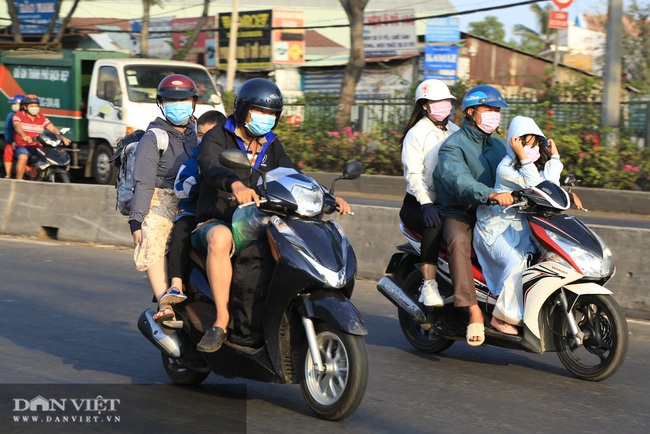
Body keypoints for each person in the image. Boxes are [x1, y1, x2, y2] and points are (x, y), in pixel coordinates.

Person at [192, 78, 351, 353]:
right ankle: (221, 320)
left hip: (260, 218)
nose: (266, 119)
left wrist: (327, 196)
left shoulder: (271, 144)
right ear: (242, 110)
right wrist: (235, 184)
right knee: (220, 238)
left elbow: (291, 176)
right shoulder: (217, 136)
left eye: (271, 114)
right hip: (219, 217)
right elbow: (210, 166)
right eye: (260, 112)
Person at [473, 116, 581, 335]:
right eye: (525, 144)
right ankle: (501, 316)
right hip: (495, 228)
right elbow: (535, 186)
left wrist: (554, 157)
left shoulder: (531, 165)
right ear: (513, 144)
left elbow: (549, 185)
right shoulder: (506, 167)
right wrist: (523, 157)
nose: (531, 149)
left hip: (522, 227)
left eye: (534, 144)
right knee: (517, 262)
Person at [432, 85, 514, 346]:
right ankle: (474, 311)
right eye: (489, 109)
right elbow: (460, 181)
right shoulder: (453, 147)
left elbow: (520, 169)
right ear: (470, 112)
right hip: (460, 211)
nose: (494, 114)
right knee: (458, 240)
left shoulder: (500, 146)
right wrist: (489, 194)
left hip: (494, 212)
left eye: (497, 110)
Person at [128, 74, 199, 325]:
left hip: (196, 196)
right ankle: (165, 302)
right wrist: (137, 221)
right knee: (154, 231)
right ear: (161, 103)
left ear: (193, 102)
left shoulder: (199, 134)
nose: (177, 105)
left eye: (183, 100)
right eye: (170, 100)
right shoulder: (154, 138)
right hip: (163, 198)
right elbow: (144, 183)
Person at [398, 79, 458, 307]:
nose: (444, 105)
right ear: (424, 105)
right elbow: (413, 174)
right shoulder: (416, 134)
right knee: (434, 223)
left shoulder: (455, 131)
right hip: (418, 204)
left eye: (446, 101)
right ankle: (429, 285)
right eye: (437, 101)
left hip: (448, 201)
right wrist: (426, 203)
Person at [159, 110, 227, 309]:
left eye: (211, 135)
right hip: (192, 212)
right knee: (181, 233)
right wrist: (199, 175)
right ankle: (176, 284)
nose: (205, 140)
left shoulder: (232, 156)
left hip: (221, 213)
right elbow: (180, 190)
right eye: (200, 135)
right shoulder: (193, 161)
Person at [12, 94, 72, 180]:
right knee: (23, 157)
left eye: (36, 106)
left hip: (38, 146)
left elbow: (52, 128)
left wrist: (62, 137)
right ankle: (19, 181)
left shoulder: (41, 117)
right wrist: (24, 135)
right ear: (25, 107)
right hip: (23, 145)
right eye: (32, 106)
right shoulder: (19, 115)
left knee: (52, 157)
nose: (34, 108)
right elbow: (17, 126)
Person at [4, 94, 24, 178]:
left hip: (29, 141)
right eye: (13, 104)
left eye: (16, 104)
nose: (14, 106)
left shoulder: (28, 115)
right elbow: (7, 130)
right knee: (8, 150)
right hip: (15, 141)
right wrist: (11, 141)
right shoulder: (11, 115)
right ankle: (8, 174)